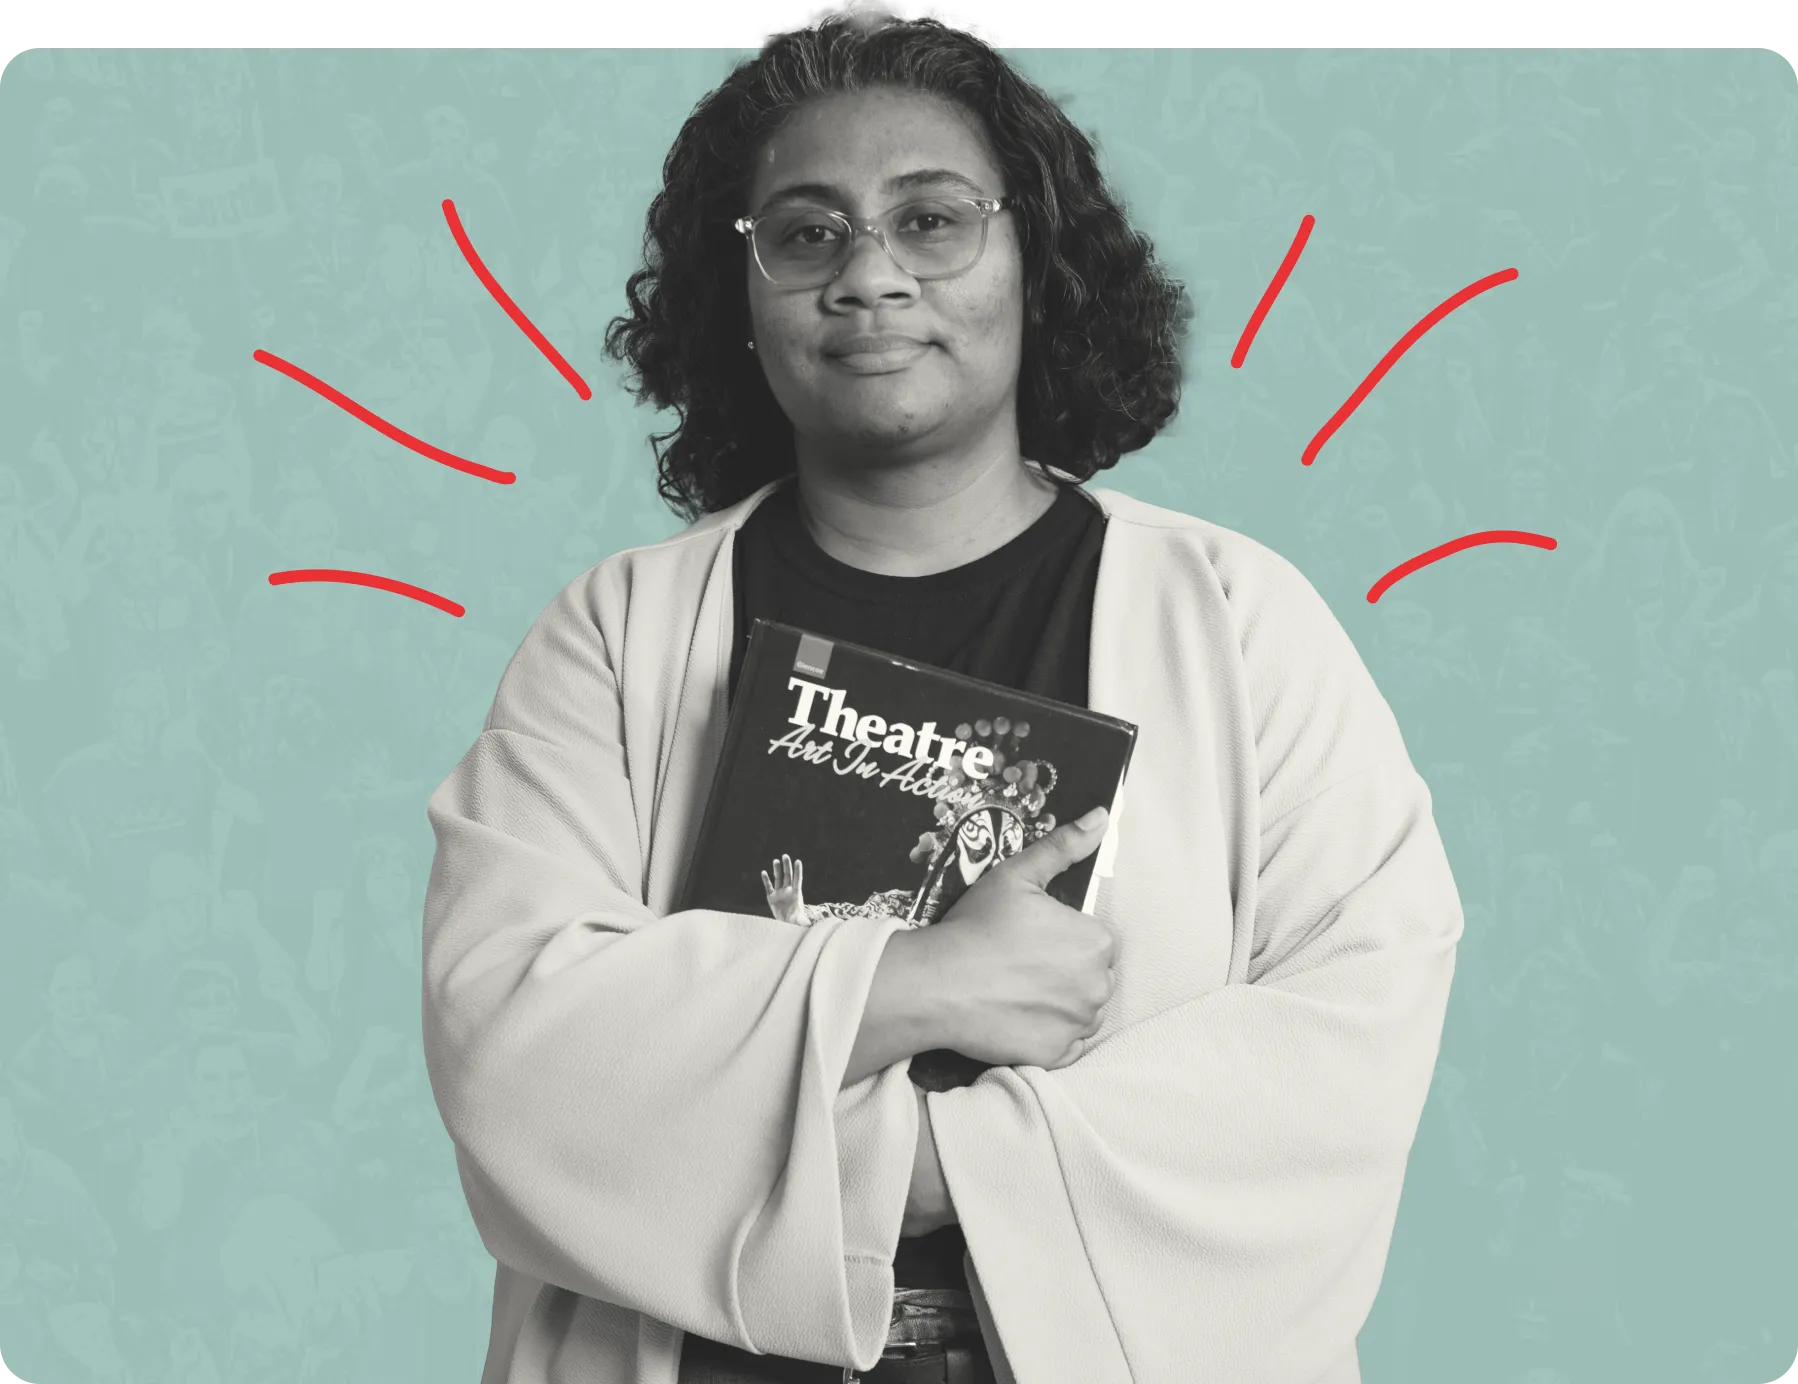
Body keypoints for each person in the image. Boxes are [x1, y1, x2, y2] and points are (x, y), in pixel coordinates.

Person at [421, 6, 1464, 1383]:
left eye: (930, 222)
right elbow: (515, 1038)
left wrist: (920, 1173)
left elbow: (1346, 1035)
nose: (867, 279)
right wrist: (911, 983)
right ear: (733, 297)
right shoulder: (618, 633)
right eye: (805, 234)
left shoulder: (1232, 618)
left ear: (1039, 264)